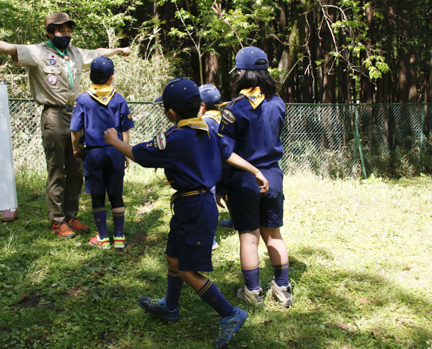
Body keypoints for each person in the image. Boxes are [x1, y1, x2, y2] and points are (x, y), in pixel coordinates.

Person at [104, 78, 269, 348]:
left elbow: (138, 154)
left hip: (195, 208)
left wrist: (114, 141)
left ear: (171, 112)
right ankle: (170, 307)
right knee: (173, 257)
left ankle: (230, 314)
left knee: (187, 270)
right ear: (200, 106)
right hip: (191, 206)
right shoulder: (209, 131)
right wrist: (255, 170)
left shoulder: (176, 138)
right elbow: (229, 154)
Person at [0, 12, 131, 239]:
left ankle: (71, 216)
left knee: (77, 169)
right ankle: (58, 221)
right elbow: (7, 47)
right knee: (57, 171)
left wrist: (118, 50)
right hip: (54, 115)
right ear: (49, 32)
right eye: (60, 30)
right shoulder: (37, 52)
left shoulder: (75, 53)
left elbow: (98, 53)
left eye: (68, 30)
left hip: (77, 115)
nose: (65, 34)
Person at [217, 46, 293, 307]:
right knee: (274, 235)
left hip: (245, 179)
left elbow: (225, 152)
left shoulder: (233, 108)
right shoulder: (278, 102)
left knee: (248, 237)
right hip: (273, 175)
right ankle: (283, 289)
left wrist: (221, 186)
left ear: (241, 73)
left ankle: (253, 293)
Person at [70, 56, 134, 249]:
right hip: (115, 152)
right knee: (116, 193)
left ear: (89, 74)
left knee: (97, 194)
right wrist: (124, 151)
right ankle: (120, 237)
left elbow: (74, 130)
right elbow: (125, 129)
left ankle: (103, 238)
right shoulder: (119, 99)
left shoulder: (82, 99)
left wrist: (76, 148)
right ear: (111, 77)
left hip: (94, 154)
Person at [198, 84, 224, 250]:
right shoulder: (221, 117)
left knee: (207, 203)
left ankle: (209, 239)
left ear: (202, 106)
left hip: (209, 170)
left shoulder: (205, 122)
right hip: (223, 167)